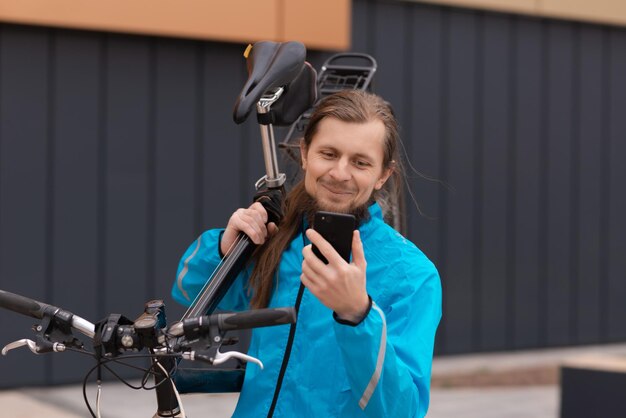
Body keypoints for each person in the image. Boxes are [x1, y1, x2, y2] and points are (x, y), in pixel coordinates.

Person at [172, 90, 442, 417]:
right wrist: (225, 249)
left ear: (383, 175)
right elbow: (189, 289)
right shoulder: (278, 235)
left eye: (360, 162)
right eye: (328, 153)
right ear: (304, 153)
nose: (340, 173)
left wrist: (358, 315)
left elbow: (404, 410)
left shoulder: (413, 275)